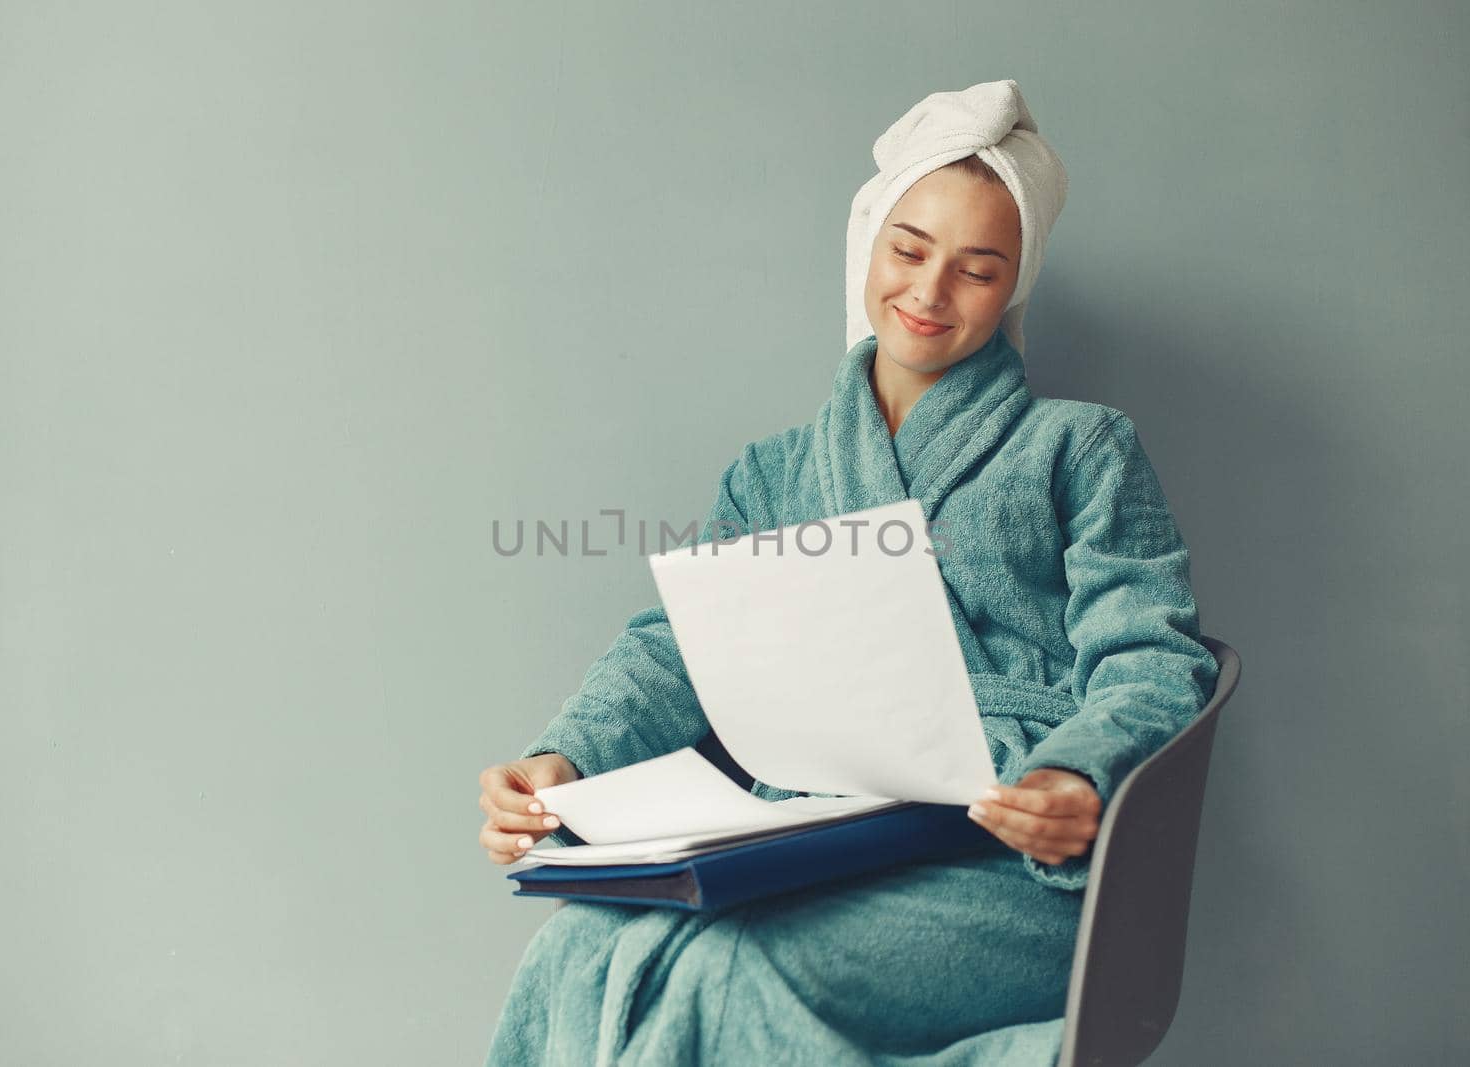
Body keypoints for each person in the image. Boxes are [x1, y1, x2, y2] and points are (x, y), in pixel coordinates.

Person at [477, 80, 1220, 1066]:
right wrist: (562, 760)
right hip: (817, 838)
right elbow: (674, 652)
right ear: (865, 245)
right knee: (579, 942)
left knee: (724, 970)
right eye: (908, 250)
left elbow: (1152, 659)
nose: (928, 292)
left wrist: (1075, 774)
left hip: (1005, 865)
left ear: (1014, 287)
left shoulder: (1078, 447)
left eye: (978, 269)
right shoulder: (774, 472)